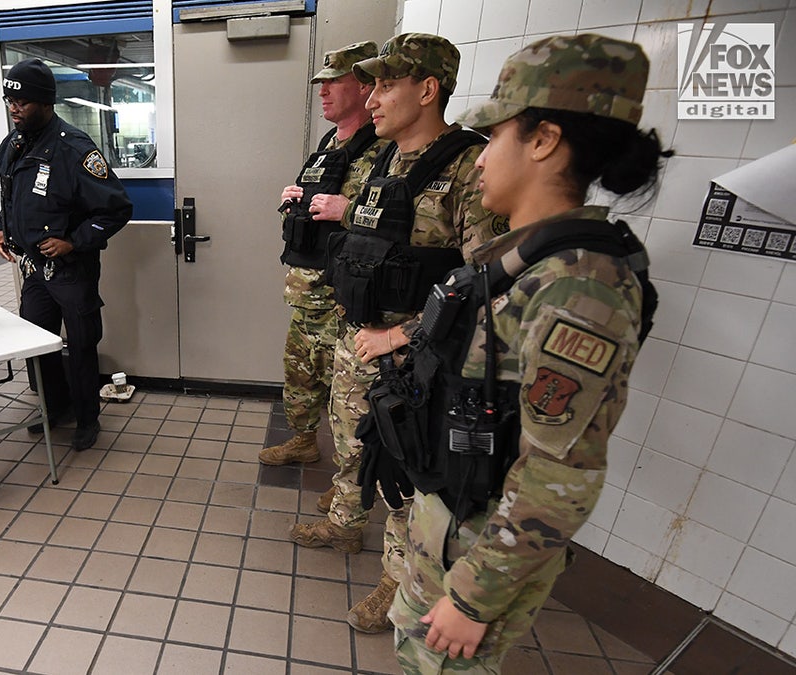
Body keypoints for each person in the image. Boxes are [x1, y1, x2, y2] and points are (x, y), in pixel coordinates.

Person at [383, 34, 664, 672]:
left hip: (478, 551)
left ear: (543, 140)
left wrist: (475, 598)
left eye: (498, 136)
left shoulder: (579, 286)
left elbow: (561, 474)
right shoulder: (524, 258)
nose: (481, 159)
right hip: (446, 521)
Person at [288, 33, 508, 634]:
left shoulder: (468, 167)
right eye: (373, 84)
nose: (373, 97)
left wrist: (399, 337)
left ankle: (397, 581)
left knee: (407, 476)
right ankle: (343, 521)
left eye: (386, 85)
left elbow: (487, 284)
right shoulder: (382, 158)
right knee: (352, 442)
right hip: (359, 341)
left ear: (428, 89)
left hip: (416, 360)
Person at [258, 42, 390, 486]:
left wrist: (347, 208)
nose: (324, 91)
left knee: (348, 397)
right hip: (307, 291)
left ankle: (347, 490)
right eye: (321, 83)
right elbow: (312, 203)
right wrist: (290, 200)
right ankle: (302, 440)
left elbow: (398, 221)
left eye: (335, 81)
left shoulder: (385, 149)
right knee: (300, 376)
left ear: (366, 86)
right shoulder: (328, 144)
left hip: (344, 299)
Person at [0, 58, 133, 452]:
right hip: (35, 269)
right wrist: (5, 226)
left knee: (82, 344)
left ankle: (88, 419)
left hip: (72, 270)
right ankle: (56, 408)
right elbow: (11, 196)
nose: (14, 107)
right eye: (9, 100)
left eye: (21, 101)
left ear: (44, 101)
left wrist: (73, 241)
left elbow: (117, 209)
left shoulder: (74, 149)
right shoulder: (13, 145)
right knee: (36, 343)